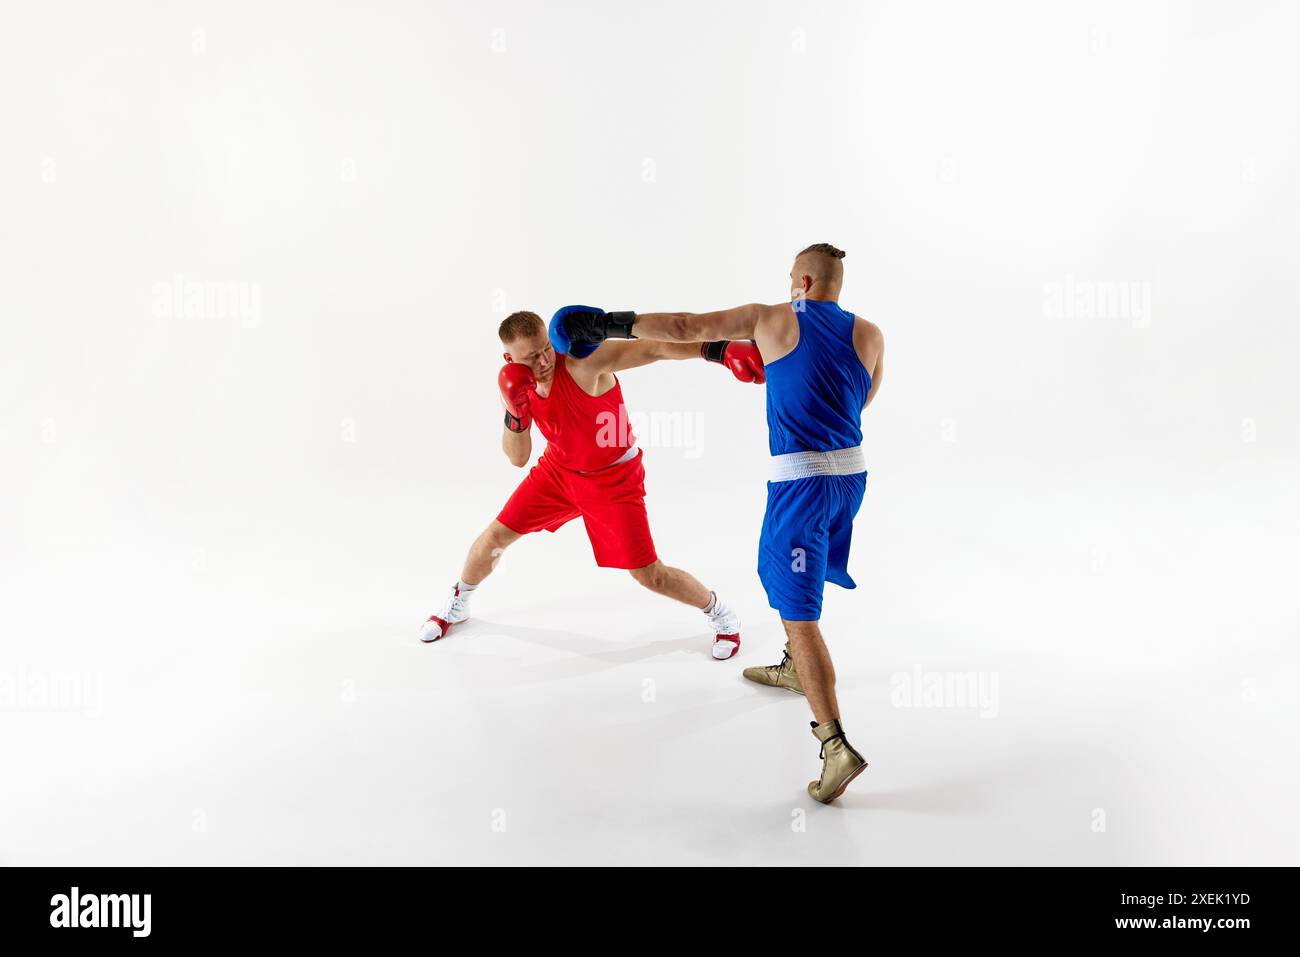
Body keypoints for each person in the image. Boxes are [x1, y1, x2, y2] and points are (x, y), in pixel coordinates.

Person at [548, 243, 884, 803]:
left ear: (800, 279)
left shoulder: (771, 318)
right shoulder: (871, 332)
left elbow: (683, 325)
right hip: (851, 479)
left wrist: (608, 323)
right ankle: (795, 668)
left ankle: (834, 743)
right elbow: (863, 399)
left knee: (798, 610)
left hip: (800, 482)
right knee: (787, 575)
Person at [421, 309, 765, 662]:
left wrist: (717, 350)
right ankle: (459, 601)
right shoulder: (517, 388)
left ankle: (720, 612)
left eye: (544, 349)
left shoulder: (581, 364)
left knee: (649, 574)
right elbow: (517, 457)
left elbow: (653, 349)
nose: (543, 361)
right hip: (558, 472)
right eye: (531, 357)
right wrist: (515, 411)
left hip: (614, 479)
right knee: (494, 538)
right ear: (509, 360)